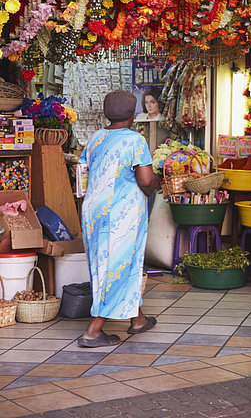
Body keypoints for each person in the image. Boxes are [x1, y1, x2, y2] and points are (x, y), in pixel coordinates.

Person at [77, 89, 158, 348]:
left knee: (111, 264)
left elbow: (83, 171)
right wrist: (155, 186)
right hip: (121, 213)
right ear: (132, 116)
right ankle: (93, 330)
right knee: (117, 265)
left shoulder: (96, 138)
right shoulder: (135, 140)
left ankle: (138, 320)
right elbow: (145, 180)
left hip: (93, 210)